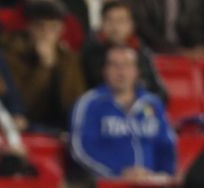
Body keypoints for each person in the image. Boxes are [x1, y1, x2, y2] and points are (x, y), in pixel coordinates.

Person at [70, 45, 175, 179]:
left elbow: (166, 146)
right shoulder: (89, 104)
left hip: (150, 184)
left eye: (126, 65)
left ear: (136, 71)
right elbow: (81, 150)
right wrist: (118, 173)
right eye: (114, 65)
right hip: (105, 186)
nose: (121, 72)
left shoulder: (153, 104)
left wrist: (164, 175)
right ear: (105, 70)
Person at [0, 0, 86, 133]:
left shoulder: (68, 58)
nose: (46, 33)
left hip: (61, 127)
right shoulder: (12, 53)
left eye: (53, 27)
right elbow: (25, 105)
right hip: (25, 126)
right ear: (29, 27)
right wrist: (44, 67)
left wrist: (56, 66)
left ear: (61, 29)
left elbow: (72, 104)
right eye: (40, 27)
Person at [81, 0, 168, 104]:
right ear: (102, 24)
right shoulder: (91, 52)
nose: (115, 27)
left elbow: (159, 91)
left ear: (131, 25)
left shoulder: (141, 50)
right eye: (110, 20)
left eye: (121, 21)